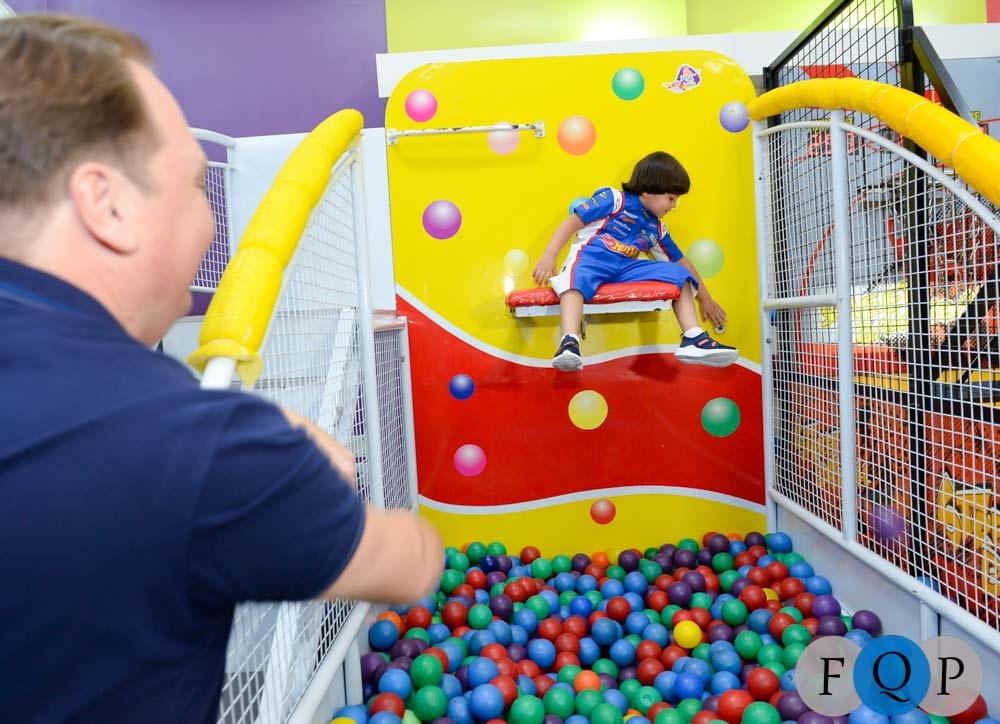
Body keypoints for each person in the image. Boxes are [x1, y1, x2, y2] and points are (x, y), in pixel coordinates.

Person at [0, 14, 443, 723]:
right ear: (106, 205)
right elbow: (409, 563)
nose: (211, 223)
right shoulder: (186, 439)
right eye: (196, 186)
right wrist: (298, 461)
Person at [532, 151, 738, 371]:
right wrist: (549, 254)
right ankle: (569, 342)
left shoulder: (656, 228)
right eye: (671, 198)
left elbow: (681, 262)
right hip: (591, 259)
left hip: (625, 268)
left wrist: (706, 299)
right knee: (575, 278)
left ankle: (694, 338)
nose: (674, 205)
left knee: (679, 274)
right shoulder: (614, 200)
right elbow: (573, 222)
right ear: (648, 191)